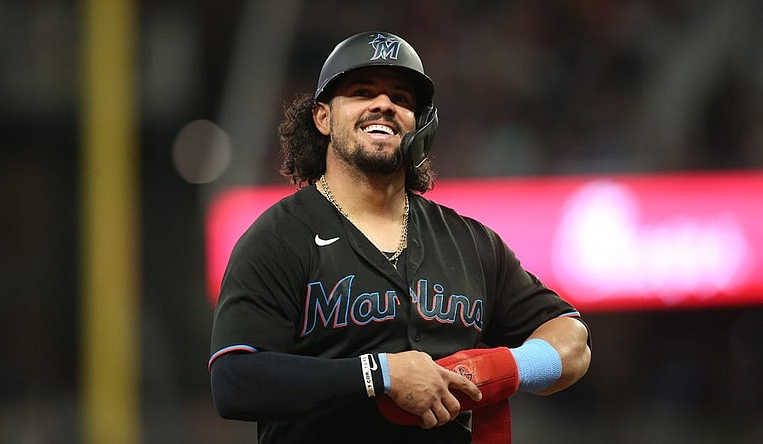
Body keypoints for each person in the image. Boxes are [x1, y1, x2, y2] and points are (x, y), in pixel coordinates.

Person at [209, 31, 591, 444]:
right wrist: (380, 374)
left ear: (420, 123)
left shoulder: (468, 241)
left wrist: (497, 369)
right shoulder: (279, 238)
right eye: (361, 91)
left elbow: (573, 341)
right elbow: (234, 381)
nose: (384, 105)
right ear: (322, 117)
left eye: (402, 98)